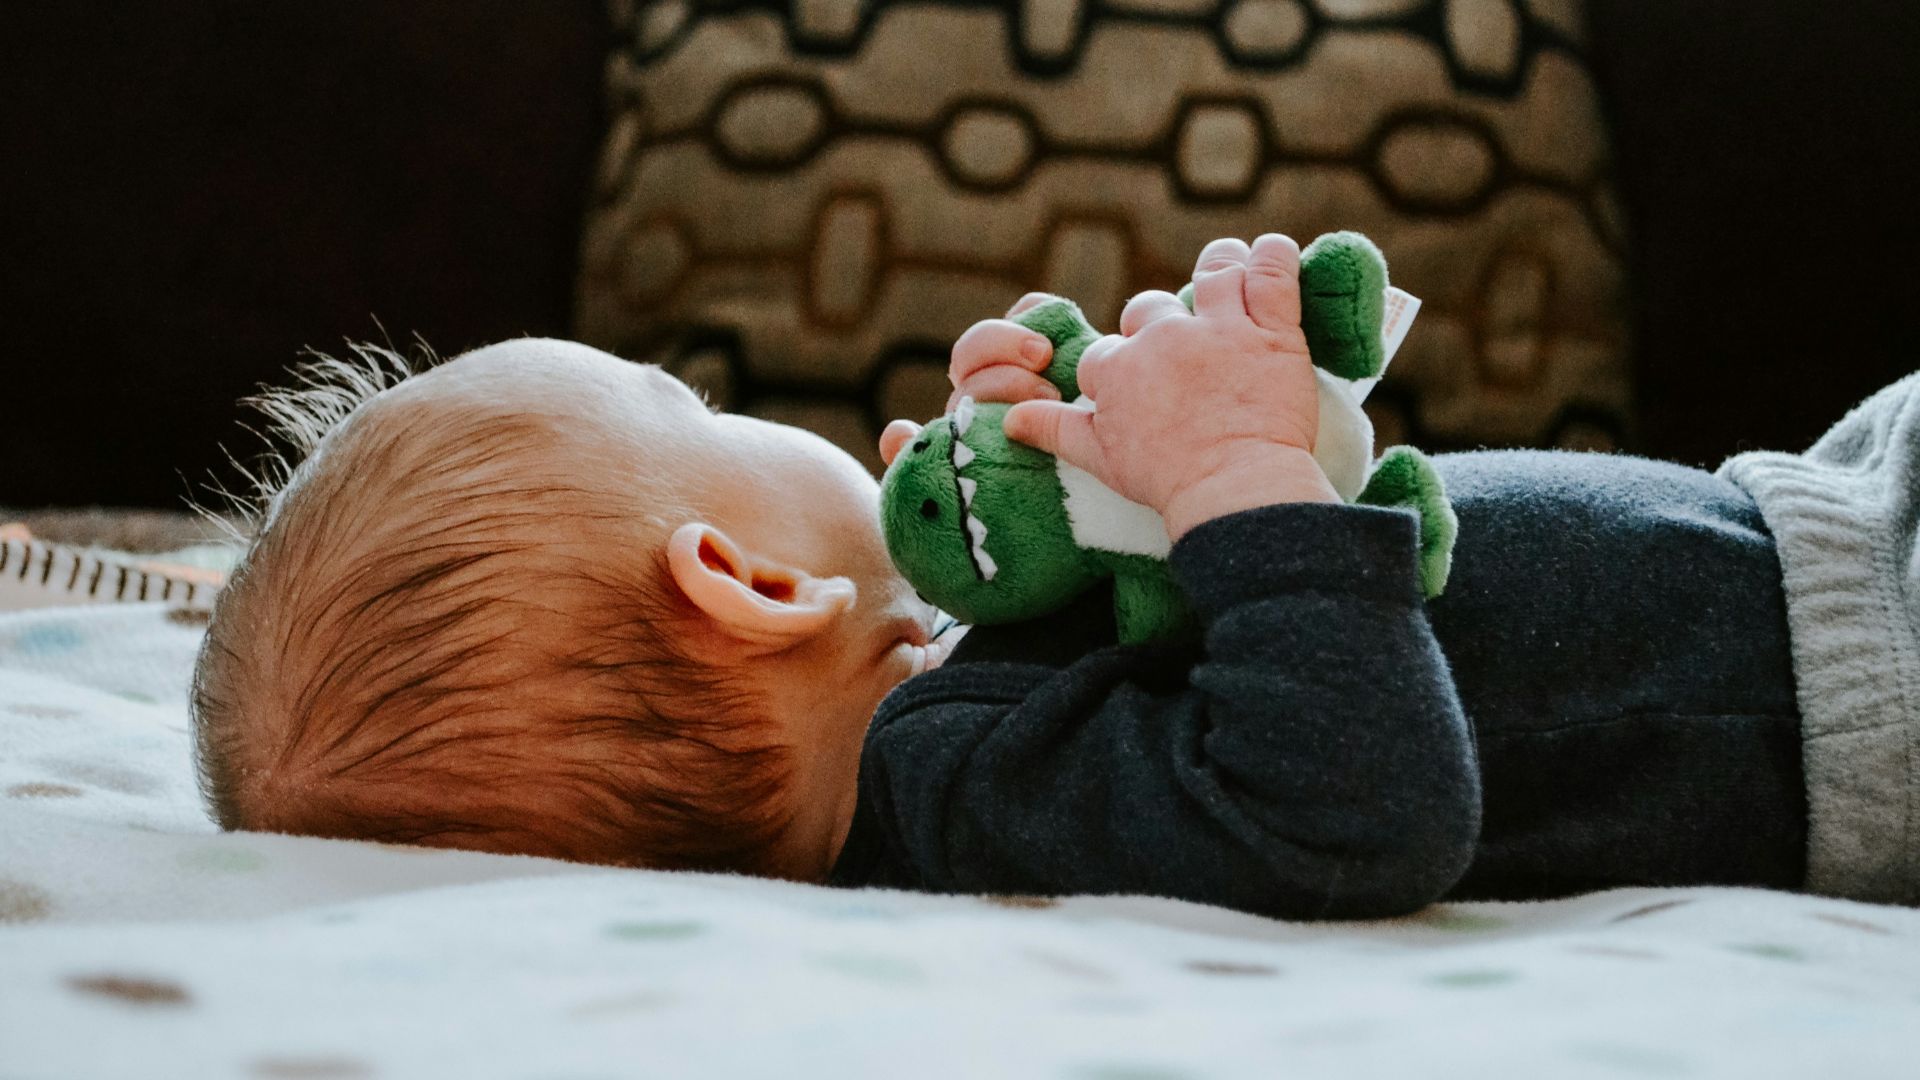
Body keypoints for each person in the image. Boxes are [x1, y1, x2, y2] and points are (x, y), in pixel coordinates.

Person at [190, 234, 1920, 917]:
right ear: (739, 581)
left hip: (1814, 524)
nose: (744, 407)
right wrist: (1240, 480)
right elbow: (1353, 804)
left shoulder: (951, 700)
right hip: (1865, 677)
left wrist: (1098, 474)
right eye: (686, 404)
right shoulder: (966, 799)